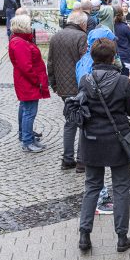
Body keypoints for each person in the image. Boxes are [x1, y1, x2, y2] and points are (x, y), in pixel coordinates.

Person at [77, 39, 130, 253]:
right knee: (121, 188)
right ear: (113, 57)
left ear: (92, 57)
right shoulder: (123, 82)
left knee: (91, 187)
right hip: (117, 140)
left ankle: (84, 235)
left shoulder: (85, 80)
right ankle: (122, 237)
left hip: (92, 140)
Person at [47, 10, 88, 168]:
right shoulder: (81, 37)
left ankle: (67, 159)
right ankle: (81, 161)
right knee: (84, 122)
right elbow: (85, 63)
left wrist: (54, 85)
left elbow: (50, 63)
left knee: (70, 122)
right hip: (79, 87)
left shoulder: (56, 36)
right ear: (81, 24)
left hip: (64, 88)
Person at [8, 15, 50, 153]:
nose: (31, 26)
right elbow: (26, 67)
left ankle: (26, 136)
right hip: (28, 82)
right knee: (29, 112)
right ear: (23, 26)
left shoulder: (20, 40)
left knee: (26, 109)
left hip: (26, 81)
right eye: (29, 24)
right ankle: (27, 141)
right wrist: (37, 81)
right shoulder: (19, 42)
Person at [113, 6, 130, 77]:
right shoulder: (124, 27)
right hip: (125, 57)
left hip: (113, 58)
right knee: (127, 80)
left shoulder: (109, 28)